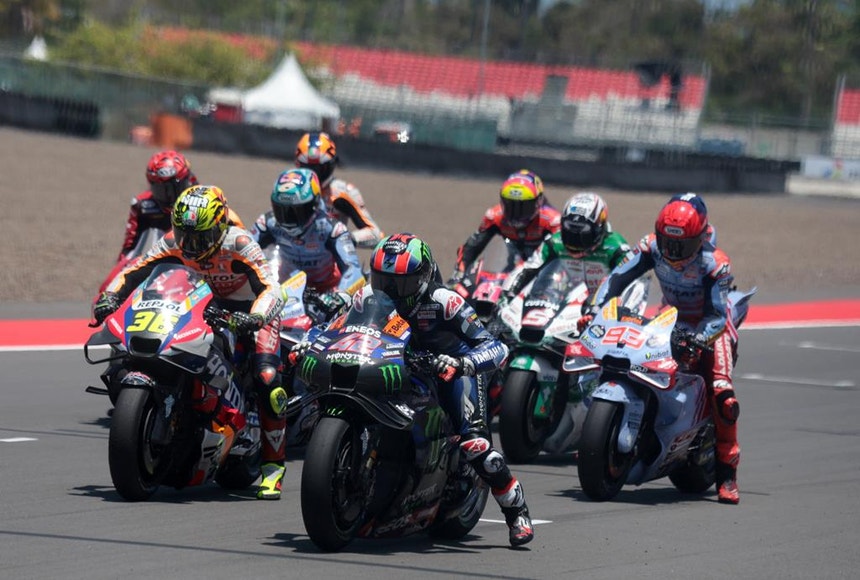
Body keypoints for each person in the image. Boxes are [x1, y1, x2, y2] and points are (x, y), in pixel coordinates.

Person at [91, 185, 288, 500]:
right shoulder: (172, 241)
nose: (191, 245)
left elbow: (271, 288)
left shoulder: (239, 243)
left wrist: (256, 317)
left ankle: (273, 467)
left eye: (201, 237)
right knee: (131, 351)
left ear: (220, 227)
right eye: (185, 235)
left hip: (249, 312)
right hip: (203, 308)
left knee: (267, 379)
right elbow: (134, 270)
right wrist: (111, 296)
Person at [354, 233, 535, 546]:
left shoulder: (445, 301)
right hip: (396, 366)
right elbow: (338, 326)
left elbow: (495, 347)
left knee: (476, 446)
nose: (391, 291)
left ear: (423, 278)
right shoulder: (367, 295)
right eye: (384, 281)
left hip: (450, 373)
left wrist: (462, 363)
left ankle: (516, 510)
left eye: (401, 283)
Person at [580, 193, 742, 504]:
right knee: (627, 357)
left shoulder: (715, 264)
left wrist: (699, 339)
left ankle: (727, 473)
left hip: (711, 328)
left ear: (700, 238)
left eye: (682, 245)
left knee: (723, 394)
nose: (673, 251)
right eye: (668, 242)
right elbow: (616, 278)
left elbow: (718, 316)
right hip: (671, 319)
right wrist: (594, 307)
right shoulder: (650, 246)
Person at [99, 150, 244, 293]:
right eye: (160, 190)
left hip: (202, 267)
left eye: (173, 188)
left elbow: (237, 239)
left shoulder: (205, 203)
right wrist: (123, 269)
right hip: (164, 255)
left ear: (186, 181)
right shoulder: (142, 205)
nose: (168, 196)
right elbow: (130, 246)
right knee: (110, 283)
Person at [250, 167, 366, 312]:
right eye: (282, 210)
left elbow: (353, 269)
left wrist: (340, 297)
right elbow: (244, 250)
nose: (288, 218)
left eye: (297, 211)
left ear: (314, 204)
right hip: (286, 290)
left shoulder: (332, 229)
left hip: (326, 294)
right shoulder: (267, 222)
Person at [503, 191, 630, 300]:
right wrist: (508, 294)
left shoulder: (616, 247)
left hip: (602, 305)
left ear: (599, 228)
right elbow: (528, 268)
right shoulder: (554, 242)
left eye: (583, 233)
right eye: (570, 230)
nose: (575, 240)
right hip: (561, 305)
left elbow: (630, 280)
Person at [448, 169, 561, 289]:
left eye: (524, 207)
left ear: (538, 202)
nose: (517, 214)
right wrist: (458, 276)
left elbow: (563, 256)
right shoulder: (494, 216)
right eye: (510, 206)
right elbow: (471, 248)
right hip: (510, 268)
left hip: (542, 273)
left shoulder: (553, 221)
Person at [295, 131, 384, 248]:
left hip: (329, 257)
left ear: (332, 164)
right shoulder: (291, 188)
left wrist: (345, 239)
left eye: (320, 168)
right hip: (292, 255)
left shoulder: (343, 193)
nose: (314, 175)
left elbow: (376, 234)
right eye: (308, 168)